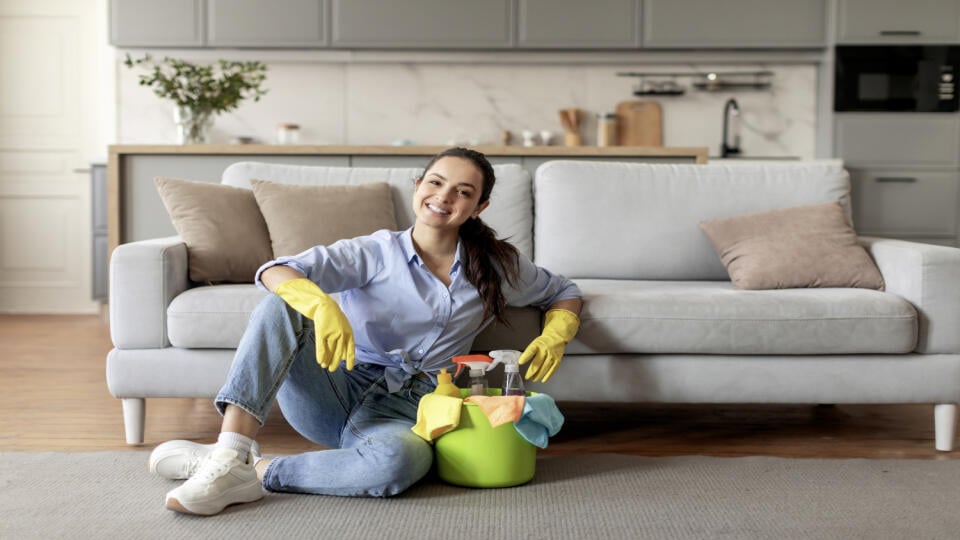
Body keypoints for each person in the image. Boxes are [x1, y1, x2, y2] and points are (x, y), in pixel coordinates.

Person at [148, 147, 583, 516]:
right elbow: (275, 271)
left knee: (400, 464)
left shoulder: (496, 267)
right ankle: (230, 449)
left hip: (411, 408)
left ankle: (253, 471)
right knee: (281, 303)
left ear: (479, 207)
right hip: (336, 386)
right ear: (418, 187)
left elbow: (562, 290)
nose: (444, 197)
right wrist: (320, 305)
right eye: (435, 182)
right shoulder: (374, 251)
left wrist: (555, 333)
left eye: (463, 191)